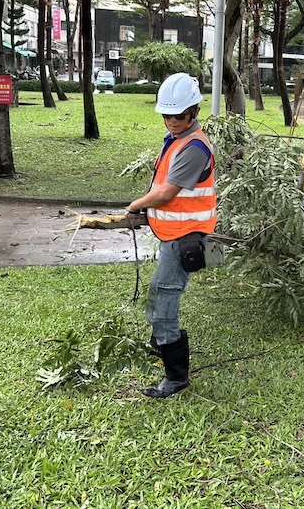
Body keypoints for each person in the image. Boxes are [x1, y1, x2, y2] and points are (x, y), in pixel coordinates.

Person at [127, 73, 217, 398]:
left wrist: (137, 204)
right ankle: (158, 342)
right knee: (158, 292)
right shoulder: (176, 139)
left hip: (186, 238)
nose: (172, 121)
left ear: (193, 112)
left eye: (178, 115)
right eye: (167, 115)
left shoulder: (194, 148)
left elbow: (166, 193)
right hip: (174, 233)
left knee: (163, 301)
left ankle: (176, 376)